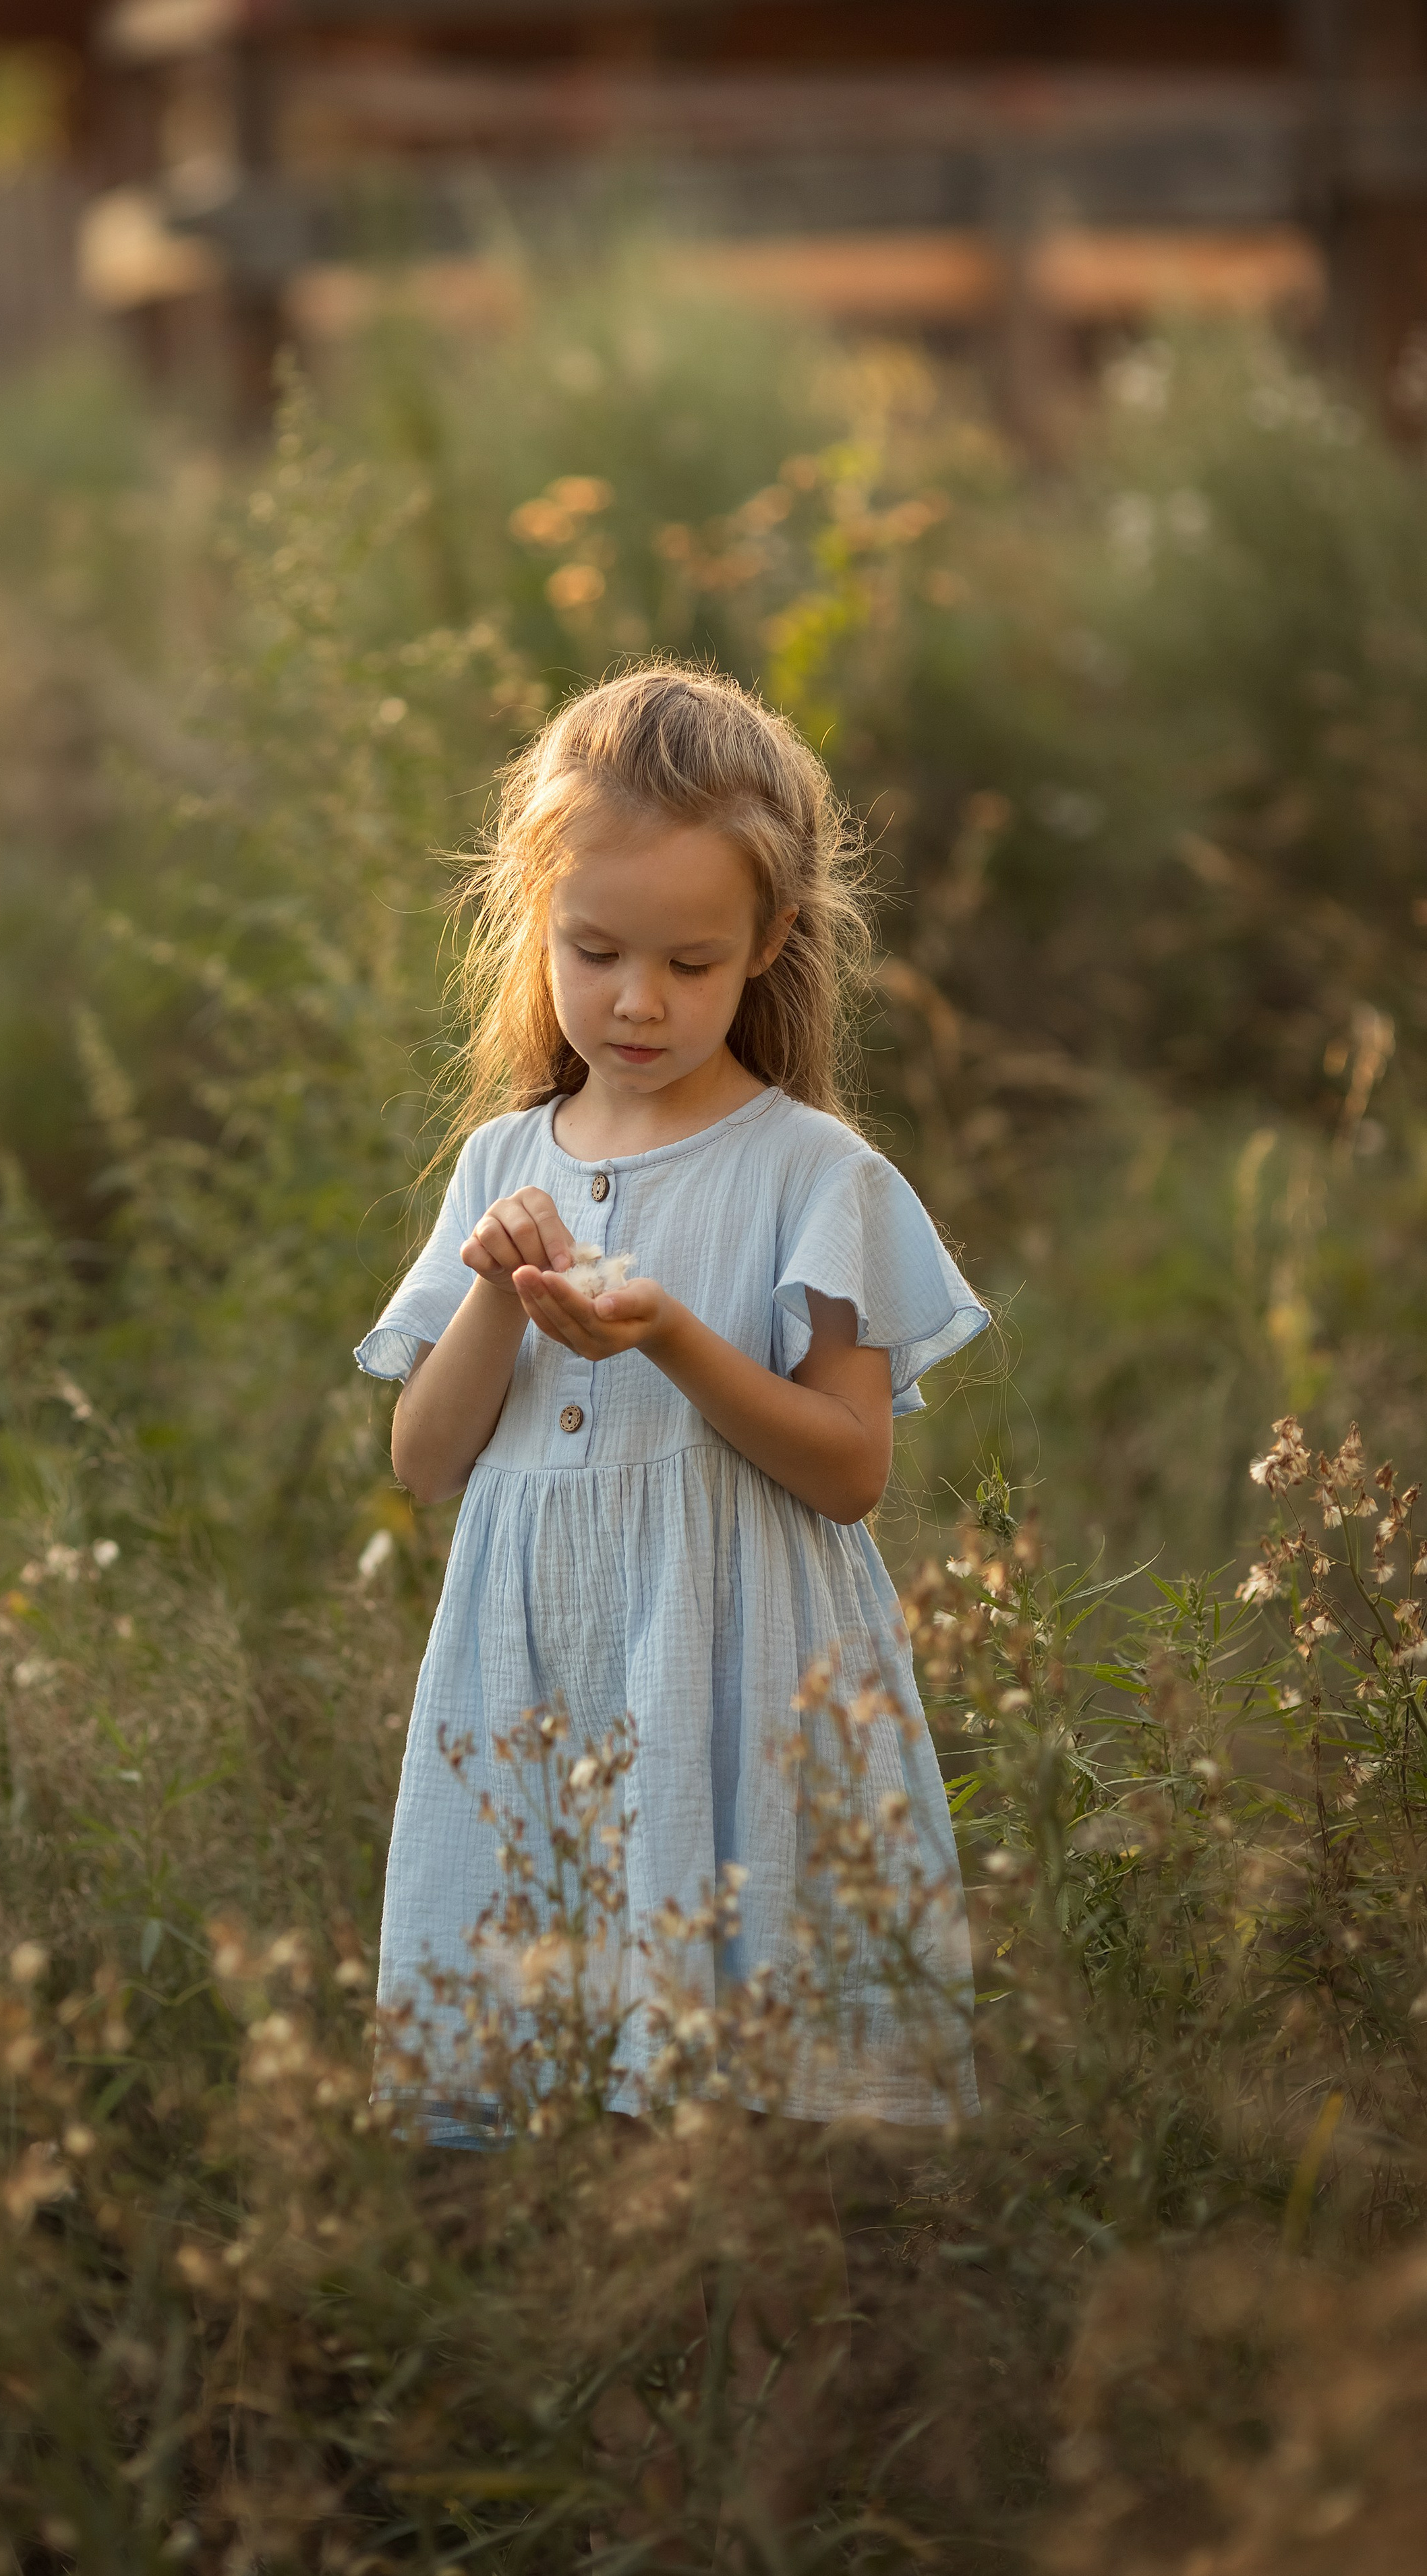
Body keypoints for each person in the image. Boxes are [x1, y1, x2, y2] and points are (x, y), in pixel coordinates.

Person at [355, 663, 988, 2144]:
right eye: (595, 951)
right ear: (537, 918)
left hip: (731, 1673)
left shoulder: (813, 1174)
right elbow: (424, 1463)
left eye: (690, 964)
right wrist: (501, 1298)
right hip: (537, 1685)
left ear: (768, 942)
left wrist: (673, 1340)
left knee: (759, 2122)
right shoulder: (501, 1163)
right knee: (544, 2111)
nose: (636, 1000)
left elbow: (849, 1471)